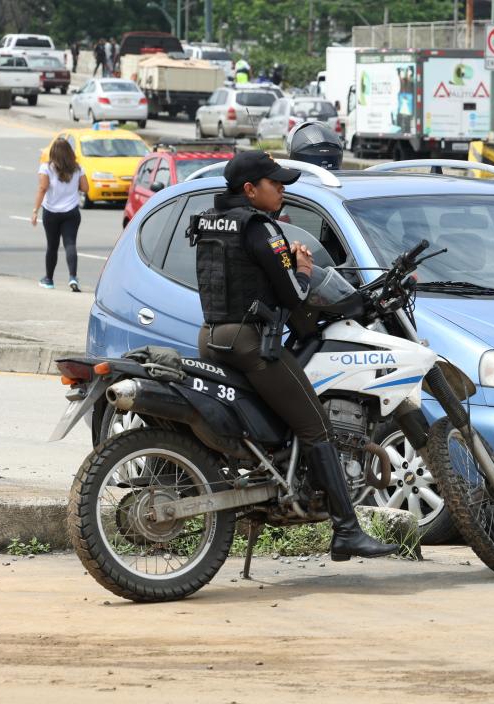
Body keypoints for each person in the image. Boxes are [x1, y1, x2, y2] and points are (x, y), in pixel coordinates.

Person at [188, 151, 397, 561]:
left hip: (212, 335)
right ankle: (347, 530)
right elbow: (294, 294)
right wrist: (300, 266)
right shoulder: (262, 228)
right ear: (250, 190)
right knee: (315, 424)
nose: (283, 189)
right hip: (249, 343)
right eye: (275, 183)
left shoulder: (210, 220)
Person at [31, 139, 89, 291]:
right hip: (71, 212)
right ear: (70, 152)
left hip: (51, 213)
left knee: (52, 246)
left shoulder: (46, 168)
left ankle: (49, 279)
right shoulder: (77, 168)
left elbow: (42, 188)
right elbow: (85, 188)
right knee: (70, 244)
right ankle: (72, 277)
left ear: (53, 153)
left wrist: (35, 211)